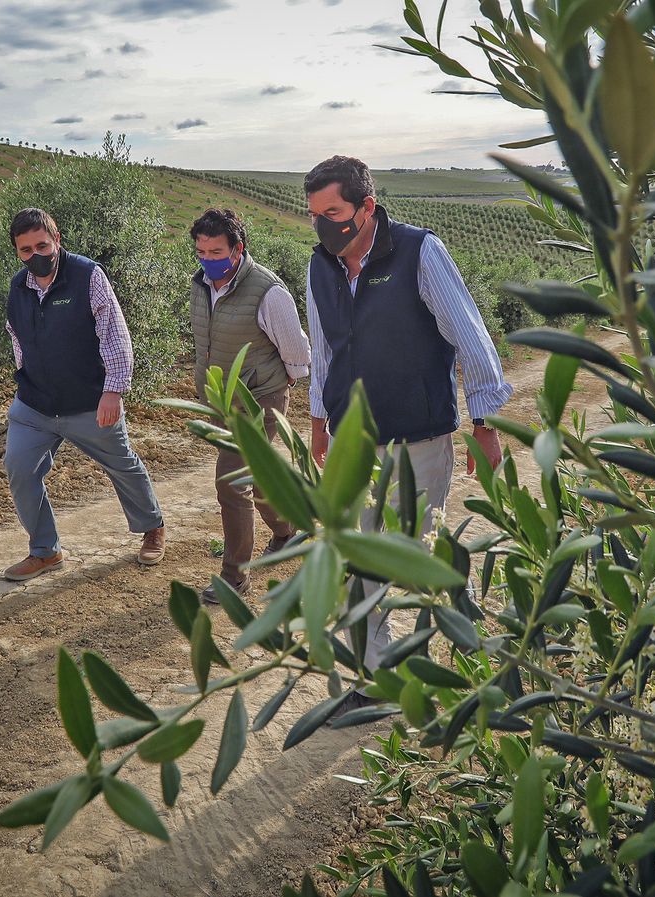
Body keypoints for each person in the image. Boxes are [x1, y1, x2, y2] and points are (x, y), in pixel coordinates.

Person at [302, 155, 513, 689]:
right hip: (353, 443)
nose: (322, 224)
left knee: (407, 558)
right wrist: (319, 420)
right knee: (356, 557)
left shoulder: (419, 252)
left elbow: (470, 335)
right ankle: (376, 679)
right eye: (314, 214)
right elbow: (323, 349)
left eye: (333, 211)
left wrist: (484, 421)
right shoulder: (319, 266)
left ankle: (434, 663)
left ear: (366, 207)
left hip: (417, 439)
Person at [0, 207, 166, 581]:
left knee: (121, 463)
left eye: (42, 245)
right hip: (36, 404)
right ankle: (45, 550)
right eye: (26, 250)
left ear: (56, 240)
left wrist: (114, 391)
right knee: (19, 467)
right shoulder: (17, 287)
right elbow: (17, 338)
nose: (36, 255)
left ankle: (152, 527)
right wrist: (27, 380)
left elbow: (114, 334)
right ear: (17, 252)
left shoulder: (87, 276)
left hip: (89, 402)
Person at [188, 208, 312, 597]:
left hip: (260, 399)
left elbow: (298, 352)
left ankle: (234, 577)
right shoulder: (201, 285)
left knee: (231, 482)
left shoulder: (268, 290)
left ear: (238, 249)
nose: (208, 260)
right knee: (254, 474)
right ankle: (287, 530)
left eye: (216, 251)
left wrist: (279, 382)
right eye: (201, 252)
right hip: (222, 401)